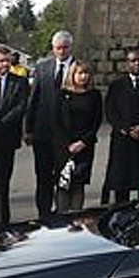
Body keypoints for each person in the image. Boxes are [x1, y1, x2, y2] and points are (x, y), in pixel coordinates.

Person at [24, 31, 78, 222]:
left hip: (67, 136)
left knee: (63, 178)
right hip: (43, 133)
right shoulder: (42, 68)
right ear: (53, 48)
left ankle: (62, 214)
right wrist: (28, 129)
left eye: (65, 48)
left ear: (70, 47)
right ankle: (43, 215)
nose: (61, 51)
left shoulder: (79, 68)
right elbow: (33, 100)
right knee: (43, 177)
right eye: (58, 48)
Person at [0, 46, 30, 226]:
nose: (5, 64)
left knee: (1, 185)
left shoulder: (19, 82)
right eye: (1, 61)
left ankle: (0, 223)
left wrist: (0, 123)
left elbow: (21, 107)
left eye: (7, 61)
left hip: (5, 140)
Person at [103, 50, 139, 204]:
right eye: (133, 61)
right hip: (123, 141)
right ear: (127, 63)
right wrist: (126, 128)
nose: (136, 63)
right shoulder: (116, 86)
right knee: (121, 186)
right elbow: (111, 111)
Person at [54, 63, 103, 213]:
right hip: (64, 147)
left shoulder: (94, 95)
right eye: (80, 73)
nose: (84, 76)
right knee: (63, 183)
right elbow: (56, 121)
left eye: (87, 73)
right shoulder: (62, 94)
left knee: (78, 184)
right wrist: (68, 144)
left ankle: (76, 218)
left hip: (85, 146)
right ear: (72, 74)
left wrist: (83, 142)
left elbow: (97, 121)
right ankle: (62, 220)